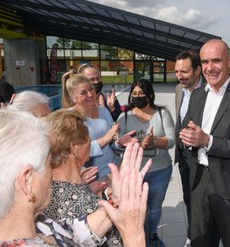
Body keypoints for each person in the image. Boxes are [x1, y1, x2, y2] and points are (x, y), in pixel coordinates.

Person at [0, 108, 151, 247]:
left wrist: (116, 201)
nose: (51, 174)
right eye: (48, 164)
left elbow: (75, 233)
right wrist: (134, 235)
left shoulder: (38, 225)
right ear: (26, 181)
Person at [179, 39, 230, 247]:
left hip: (229, 182)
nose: (209, 67)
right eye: (205, 62)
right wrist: (187, 138)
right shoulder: (197, 94)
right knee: (199, 239)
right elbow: (183, 128)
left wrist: (206, 140)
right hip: (198, 180)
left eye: (216, 61)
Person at [43, 109, 123, 246]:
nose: (90, 140)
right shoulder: (90, 205)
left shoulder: (41, 192)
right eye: (87, 136)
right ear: (74, 148)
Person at [117, 79, 175, 247]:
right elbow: (118, 145)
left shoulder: (162, 113)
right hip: (135, 172)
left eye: (141, 94)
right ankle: (140, 238)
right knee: (138, 209)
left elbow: (172, 140)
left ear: (150, 95)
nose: (137, 97)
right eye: (134, 94)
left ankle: (151, 236)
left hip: (160, 170)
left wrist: (154, 141)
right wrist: (134, 143)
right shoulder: (125, 116)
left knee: (154, 208)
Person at [61, 71, 134, 192]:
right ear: (72, 98)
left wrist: (119, 142)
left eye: (91, 89)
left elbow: (112, 140)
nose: (90, 94)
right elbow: (74, 154)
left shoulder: (104, 111)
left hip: (113, 171)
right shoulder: (68, 118)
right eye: (83, 92)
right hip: (90, 180)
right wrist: (105, 139)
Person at [174, 50, 204, 247]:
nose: (179, 76)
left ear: (198, 70)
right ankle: (192, 234)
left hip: (203, 155)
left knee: (203, 201)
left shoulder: (210, 92)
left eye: (184, 72)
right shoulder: (178, 90)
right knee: (188, 197)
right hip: (184, 155)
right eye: (177, 71)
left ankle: (203, 235)